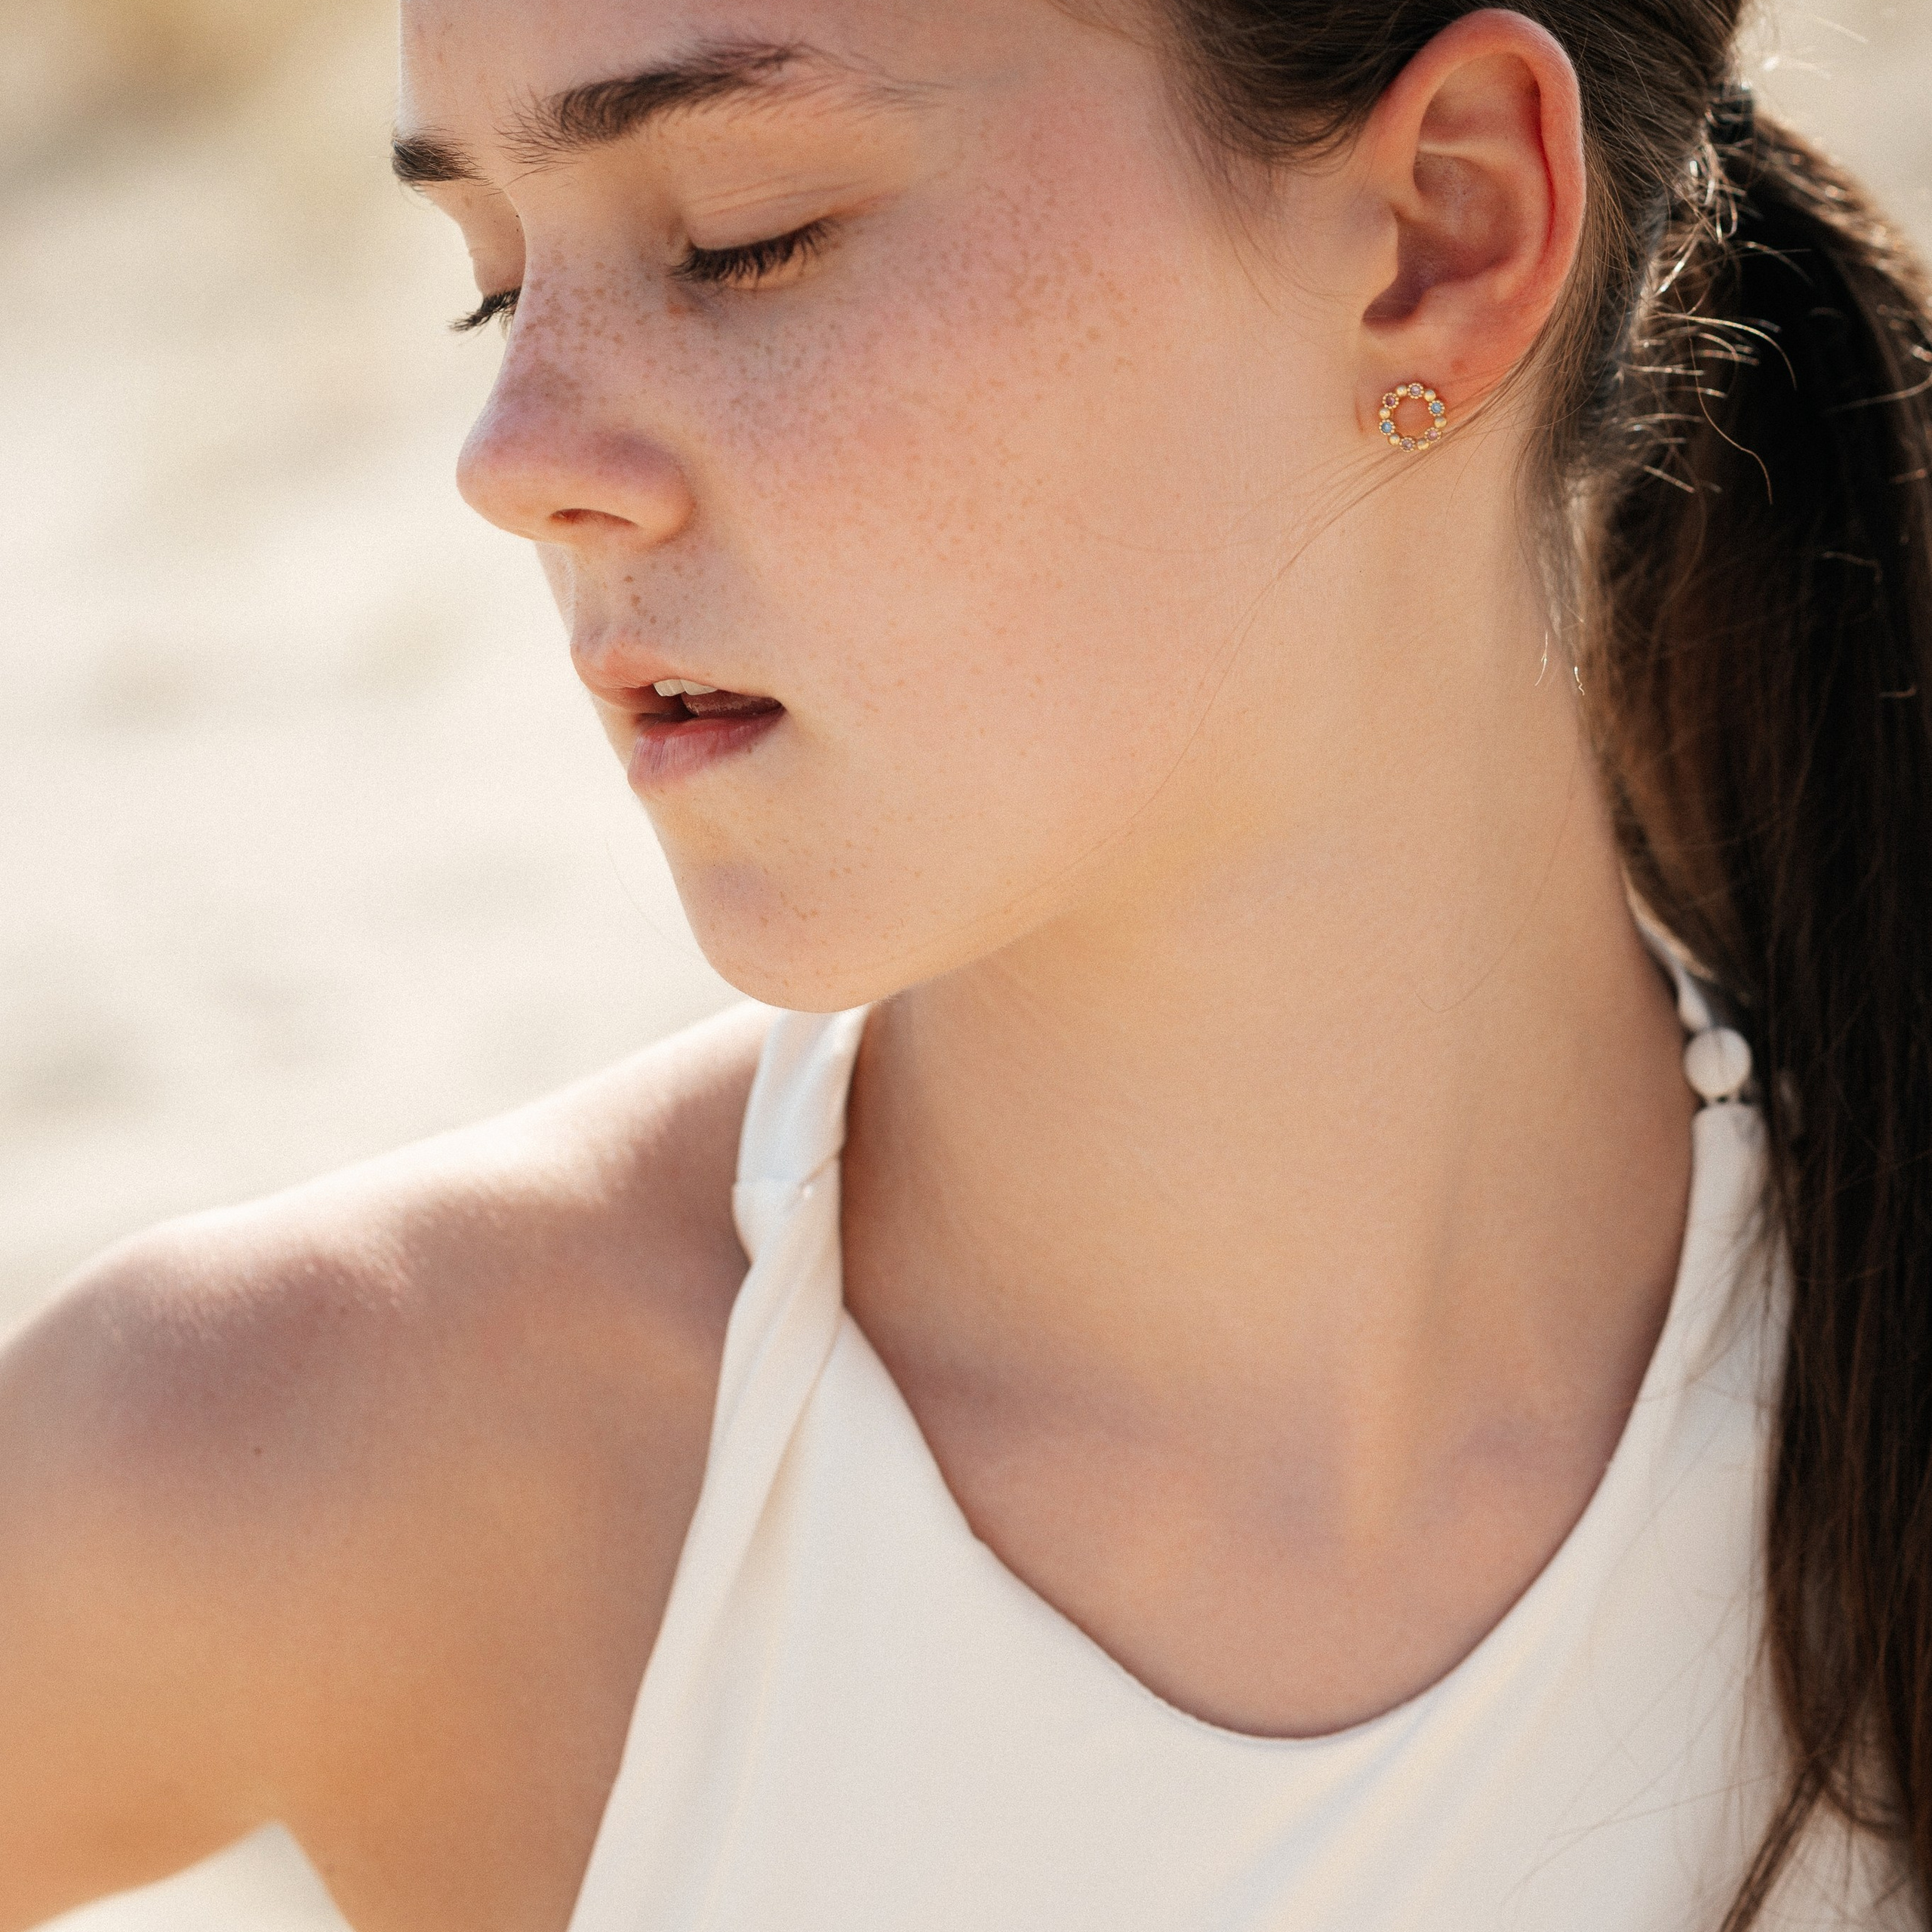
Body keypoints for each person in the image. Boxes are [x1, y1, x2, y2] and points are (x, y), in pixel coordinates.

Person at [5, 0, 1930, 1926]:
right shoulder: (334, 1463)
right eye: (496, 287)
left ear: (1445, 224)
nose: (513, 460)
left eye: (741, 234)